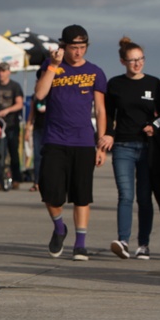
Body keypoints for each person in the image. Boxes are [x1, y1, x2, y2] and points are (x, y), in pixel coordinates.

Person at [35, 25, 107, 261]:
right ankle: (59, 228)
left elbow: (101, 109)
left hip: (84, 140)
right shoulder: (50, 66)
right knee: (50, 192)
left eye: (82, 47)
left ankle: (80, 243)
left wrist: (101, 143)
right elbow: (40, 95)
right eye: (74, 47)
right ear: (63, 46)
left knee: (82, 195)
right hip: (55, 139)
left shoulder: (95, 72)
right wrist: (53, 66)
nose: (78, 52)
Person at [98, 37, 160, 260]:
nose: (137, 64)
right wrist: (108, 133)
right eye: (132, 61)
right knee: (125, 195)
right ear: (122, 61)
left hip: (148, 147)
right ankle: (123, 241)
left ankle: (144, 244)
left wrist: (154, 126)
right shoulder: (115, 84)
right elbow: (108, 113)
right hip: (123, 146)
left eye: (140, 59)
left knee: (144, 197)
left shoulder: (154, 83)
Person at [0, 62, 24, 190]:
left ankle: (16, 179)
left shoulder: (15, 86)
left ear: (8, 72)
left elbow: (20, 104)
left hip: (12, 124)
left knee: (13, 153)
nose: (1, 74)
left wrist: (7, 110)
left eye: (3, 71)